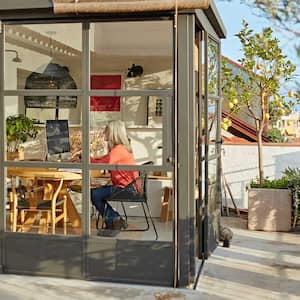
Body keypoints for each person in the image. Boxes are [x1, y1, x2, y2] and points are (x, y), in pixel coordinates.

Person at [90, 120, 138, 231]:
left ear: (113, 133)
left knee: (95, 194)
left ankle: (115, 219)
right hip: (128, 186)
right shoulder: (120, 148)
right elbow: (103, 160)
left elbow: (100, 164)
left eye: (106, 131)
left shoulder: (119, 150)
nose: (103, 133)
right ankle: (114, 221)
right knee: (96, 193)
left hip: (126, 189)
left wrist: (85, 159)